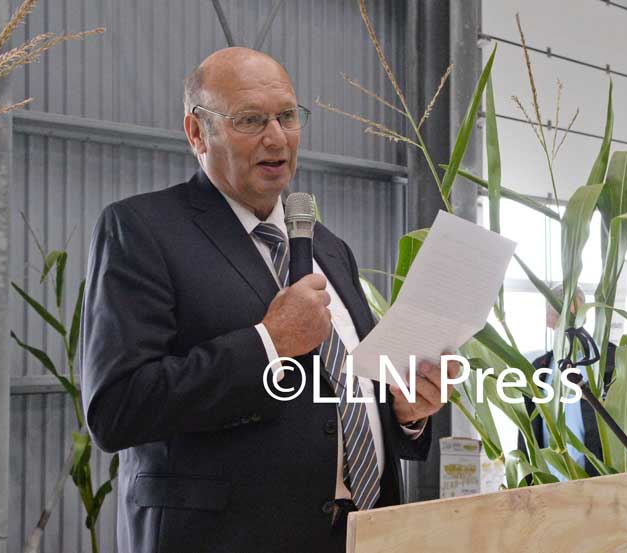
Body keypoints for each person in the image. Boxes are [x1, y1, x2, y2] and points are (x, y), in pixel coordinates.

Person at [80, 47, 458, 553]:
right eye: (250, 120)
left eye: (287, 116)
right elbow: (117, 408)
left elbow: (339, 402)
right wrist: (268, 344)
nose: (277, 137)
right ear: (197, 133)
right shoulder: (143, 230)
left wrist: (406, 413)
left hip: (362, 535)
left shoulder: (329, 248)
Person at [517, 285, 616, 479]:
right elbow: (527, 435)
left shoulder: (610, 361)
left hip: (600, 481)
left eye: (575, 316)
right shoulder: (538, 370)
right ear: (550, 320)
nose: (572, 324)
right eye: (563, 316)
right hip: (552, 485)